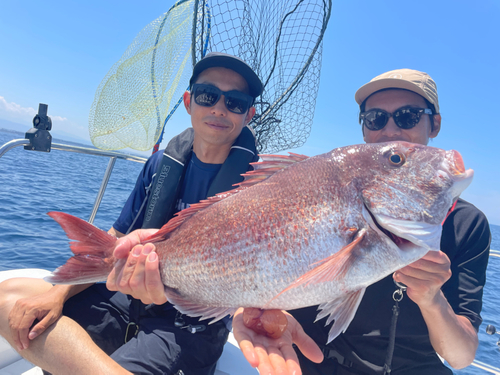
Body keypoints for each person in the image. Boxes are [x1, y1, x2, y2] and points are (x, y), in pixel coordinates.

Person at [0, 52, 263, 375]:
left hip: (192, 323)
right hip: (127, 297)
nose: (219, 108)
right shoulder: (160, 165)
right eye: (208, 96)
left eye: (235, 102)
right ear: (188, 101)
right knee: (7, 298)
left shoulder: (260, 185)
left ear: (248, 114)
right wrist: (57, 295)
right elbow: (118, 239)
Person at [232, 69, 491, 374]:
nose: (390, 129)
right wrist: (245, 308)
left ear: (434, 123)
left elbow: (461, 357)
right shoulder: (325, 184)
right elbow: (243, 255)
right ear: (365, 129)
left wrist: (432, 299)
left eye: (407, 116)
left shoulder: (468, 224)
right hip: (309, 354)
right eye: (376, 118)